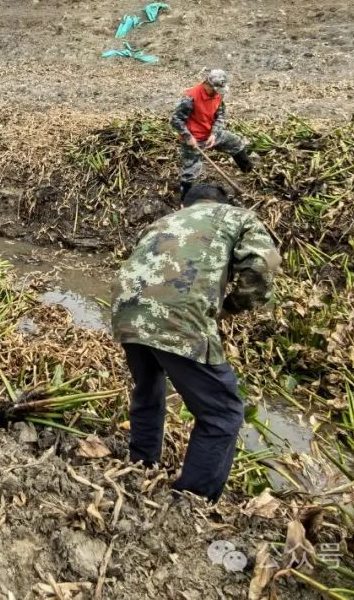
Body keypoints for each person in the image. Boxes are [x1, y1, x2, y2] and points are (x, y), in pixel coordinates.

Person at [111, 183, 281, 502]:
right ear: (222, 202)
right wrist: (231, 307)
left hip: (126, 312)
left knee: (148, 389)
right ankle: (193, 498)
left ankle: (140, 464)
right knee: (224, 413)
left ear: (185, 203)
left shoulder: (160, 222)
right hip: (178, 317)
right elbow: (261, 267)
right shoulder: (239, 217)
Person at [171, 69, 253, 201]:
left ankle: (249, 172)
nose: (217, 93)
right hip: (194, 138)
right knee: (190, 171)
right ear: (207, 84)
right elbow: (175, 119)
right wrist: (188, 137)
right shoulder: (190, 98)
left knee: (236, 143)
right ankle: (184, 201)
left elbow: (220, 115)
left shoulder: (218, 94)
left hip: (210, 133)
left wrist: (214, 134)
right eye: (215, 89)